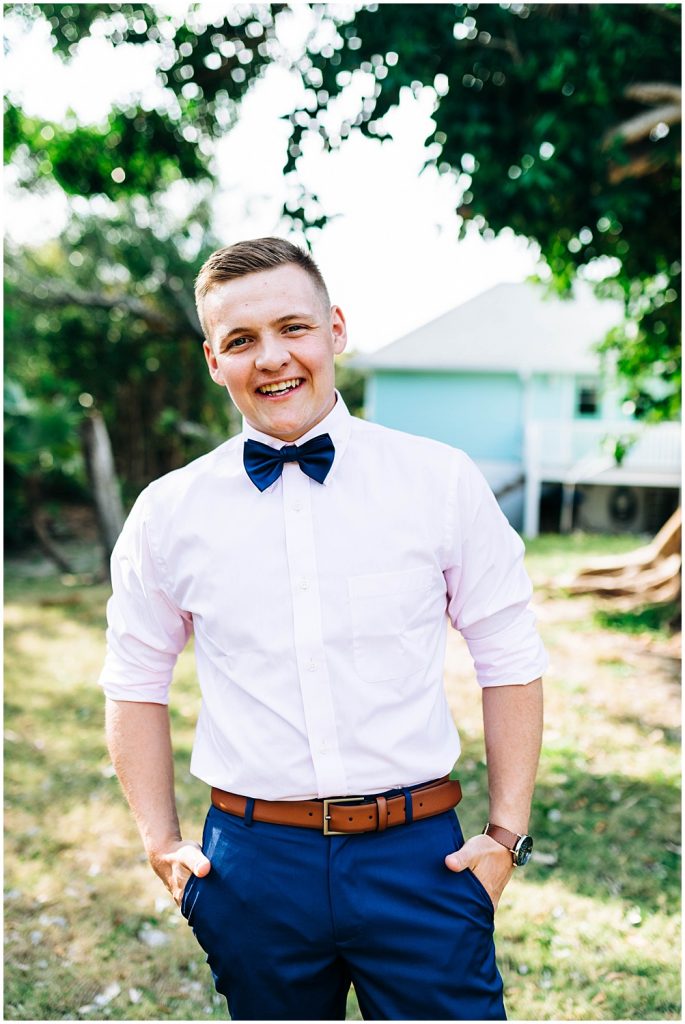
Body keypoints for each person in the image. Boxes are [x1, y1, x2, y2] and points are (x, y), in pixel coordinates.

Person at [100, 237, 547, 1021]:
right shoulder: (169, 512)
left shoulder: (437, 481)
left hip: (419, 857)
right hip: (252, 866)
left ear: (334, 329)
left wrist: (505, 834)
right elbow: (134, 684)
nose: (271, 358)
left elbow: (506, 655)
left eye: (292, 328)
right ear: (214, 360)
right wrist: (161, 842)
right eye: (241, 341)